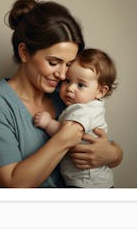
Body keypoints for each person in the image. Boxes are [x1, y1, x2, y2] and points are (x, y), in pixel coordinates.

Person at [0, 0, 123, 188]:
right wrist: (64, 138)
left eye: (68, 64)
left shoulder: (65, 93)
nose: (61, 74)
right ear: (24, 52)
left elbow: (105, 143)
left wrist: (113, 154)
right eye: (53, 62)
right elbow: (14, 184)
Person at [34, 48, 117, 188]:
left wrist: (48, 123)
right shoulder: (93, 106)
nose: (70, 88)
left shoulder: (82, 109)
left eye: (81, 85)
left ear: (100, 91)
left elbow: (67, 135)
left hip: (86, 184)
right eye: (67, 81)